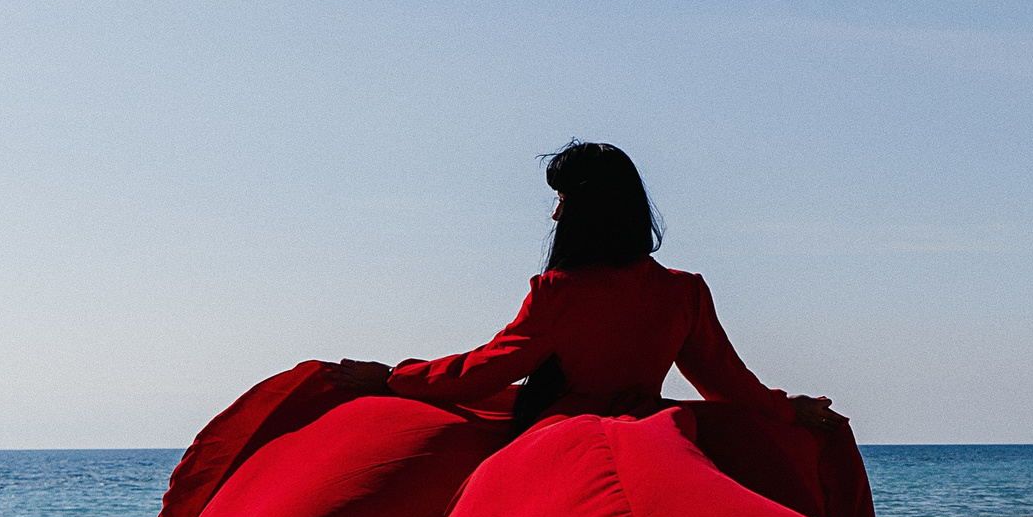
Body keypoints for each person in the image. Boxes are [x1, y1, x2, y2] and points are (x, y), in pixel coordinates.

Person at [329, 141, 844, 432]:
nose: (555, 215)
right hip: (654, 435)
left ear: (587, 212)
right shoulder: (683, 292)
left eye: (562, 200)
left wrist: (394, 378)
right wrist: (788, 410)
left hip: (566, 439)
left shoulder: (558, 292)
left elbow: (482, 371)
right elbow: (727, 385)